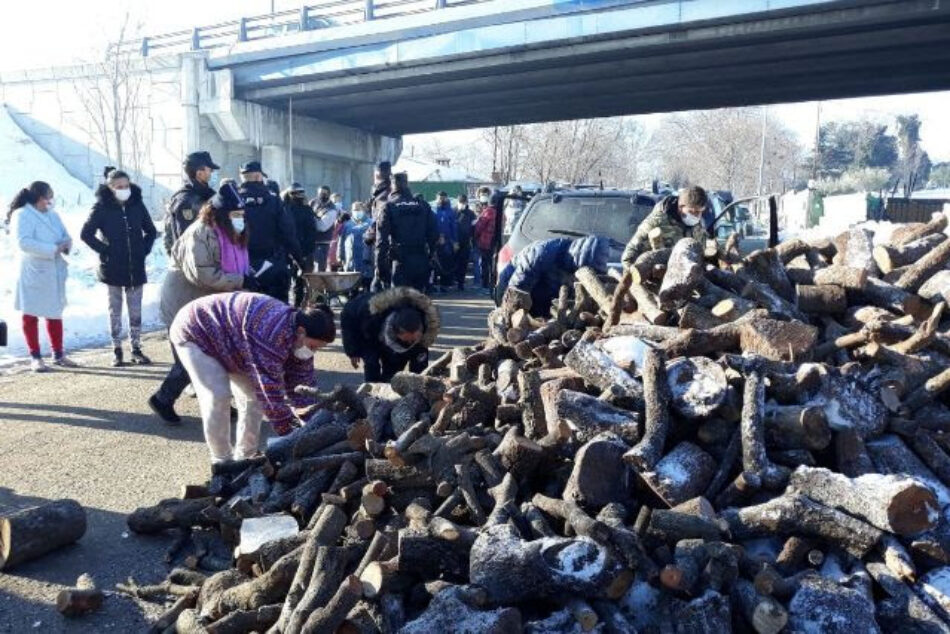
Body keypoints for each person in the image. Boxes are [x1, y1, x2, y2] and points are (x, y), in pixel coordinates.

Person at [170, 292, 335, 464]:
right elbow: (269, 393)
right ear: (301, 332)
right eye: (313, 346)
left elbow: (301, 387)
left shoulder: (299, 340)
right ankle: (221, 461)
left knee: (252, 398)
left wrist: (313, 423)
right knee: (218, 395)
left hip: (234, 342)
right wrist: (292, 434)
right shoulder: (271, 334)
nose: (312, 352)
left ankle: (245, 456)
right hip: (196, 330)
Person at [149, 182, 253, 424]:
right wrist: (240, 280)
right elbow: (203, 274)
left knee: (219, 354)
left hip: (206, 302)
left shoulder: (226, 233)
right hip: (183, 301)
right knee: (191, 358)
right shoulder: (201, 232)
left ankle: (222, 406)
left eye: (242, 215)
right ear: (220, 213)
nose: (240, 219)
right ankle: (162, 399)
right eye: (235, 215)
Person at [80, 168, 158, 367]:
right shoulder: (101, 207)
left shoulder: (137, 204)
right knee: (114, 309)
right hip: (112, 267)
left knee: (135, 309)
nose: (124, 190)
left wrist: (144, 249)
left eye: (126, 186)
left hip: (135, 266)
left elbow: (150, 231)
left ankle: (137, 348)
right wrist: (105, 250)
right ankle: (117, 349)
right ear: (110, 187)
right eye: (119, 187)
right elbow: (86, 234)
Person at [8, 181, 77, 372]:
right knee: (30, 313)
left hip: (53, 270)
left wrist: (67, 243)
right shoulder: (22, 215)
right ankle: (35, 356)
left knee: (54, 311)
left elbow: (64, 235)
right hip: (33, 270)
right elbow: (23, 242)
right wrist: (54, 249)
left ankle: (58, 353)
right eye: (49, 196)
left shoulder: (53, 215)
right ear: (40, 197)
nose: (51, 200)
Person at [496, 235, 610, 318]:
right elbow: (517, 287)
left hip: (541, 291)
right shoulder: (543, 252)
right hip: (509, 283)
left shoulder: (570, 263)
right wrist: (514, 312)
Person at [341, 287, 439, 383]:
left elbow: (420, 370)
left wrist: (419, 384)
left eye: (413, 340)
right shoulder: (371, 311)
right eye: (407, 340)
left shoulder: (425, 328)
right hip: (371, 334)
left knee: (393, 371)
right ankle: (371, 392)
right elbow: (347, 316)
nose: (410, 342)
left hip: (394, 335)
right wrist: (352, 350)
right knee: (372, 363)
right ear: (395, 331)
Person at [239, 161, 304, 302]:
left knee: (246, 314)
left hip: (242, 268)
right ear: (258, 176)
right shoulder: (273, 200)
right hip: (273, 266)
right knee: (277, 314)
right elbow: (288, 234)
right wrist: (300, 261)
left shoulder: (233, 201)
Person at [376, 173, 438, 293]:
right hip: (421, 258)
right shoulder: (423, 205)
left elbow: (381, 241)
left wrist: (380, 268)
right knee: (418, 303)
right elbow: (433, 234)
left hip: (400, 260)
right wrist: (430, 257)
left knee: (399, 304)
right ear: (407, 184)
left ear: (392, 185)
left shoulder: (388, 207)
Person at [622, 185, 711, 269]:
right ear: (680, 207)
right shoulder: (657, 222)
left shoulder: (698, 227)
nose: (697, 216)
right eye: (693, 211)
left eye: (700, 212)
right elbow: (628, 257)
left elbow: (702, 256)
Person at [163, 151, 218, 254]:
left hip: (207, 260)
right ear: (199, 173)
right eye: (210, 169)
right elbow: (187, 239)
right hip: (195, 261)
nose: (212, 173)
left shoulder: (207, 194)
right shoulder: (186, 200)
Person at [283, 183, 317, 308]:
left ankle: (300, 307)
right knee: (288, 281)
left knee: (303, 281)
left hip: (304, 250)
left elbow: (312, 231)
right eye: (296, 193)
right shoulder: (284, 209)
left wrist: (308, 252)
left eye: (301, 193)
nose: (299, 195)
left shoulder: (306, 209)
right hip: (288, 251)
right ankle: (289, 307)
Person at [365, 161, 392, 291]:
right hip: (385, 242)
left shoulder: (385, 193)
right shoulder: (380, 192)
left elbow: (381, 218)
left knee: (378, 286)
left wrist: (370, 232)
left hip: (384, 242)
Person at [338, 202, 373, 292]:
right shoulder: (347, 225)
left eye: (359, 209)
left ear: (364, 210)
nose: (357, 212)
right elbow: (341, 241)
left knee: (367, 287)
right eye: (355, 210)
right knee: (352, 289)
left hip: (366, 261)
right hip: (351, 261)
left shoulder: (371, 223)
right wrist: (340, 256)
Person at [432, 191, 458, 292]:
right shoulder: (433, 210)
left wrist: (455, 241)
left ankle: (444, 284)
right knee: (434, 263)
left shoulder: (450, 211)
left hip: (448, 241)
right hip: (435, 240)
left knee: (446, 262)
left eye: (443, 198)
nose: (442, 200)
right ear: (437, 198)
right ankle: (433, 284)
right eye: (440, 198)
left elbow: (454, 227)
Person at [473, 189, 498, 293]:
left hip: (485, 242)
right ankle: (492, 284)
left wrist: (475, 236)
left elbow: (479, 226)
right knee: (493, 264)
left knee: (484, 264)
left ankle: (485, 286)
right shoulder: (500, 212)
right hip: (495, 242)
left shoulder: (488, 211)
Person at [312, 185, 338, 272]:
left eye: (324, 193)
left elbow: (322, 227)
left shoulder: (332, 209)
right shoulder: (313, 203)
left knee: (319, 269)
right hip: (311, 242)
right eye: (320, 193)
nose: (322, 195)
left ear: (329, 194)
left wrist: (311, 218)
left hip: (322, 243)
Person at [455, 194, 477, 291]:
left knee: (464, 263)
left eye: (464, 202)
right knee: (455, 262)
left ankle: (461, 283)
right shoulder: (453, 211)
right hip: (455, 242)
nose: (462, 204)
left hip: (466, 242)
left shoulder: (471, 214)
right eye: (461, 202)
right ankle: (454, 280)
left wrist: (473, 239)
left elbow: (474, 228)